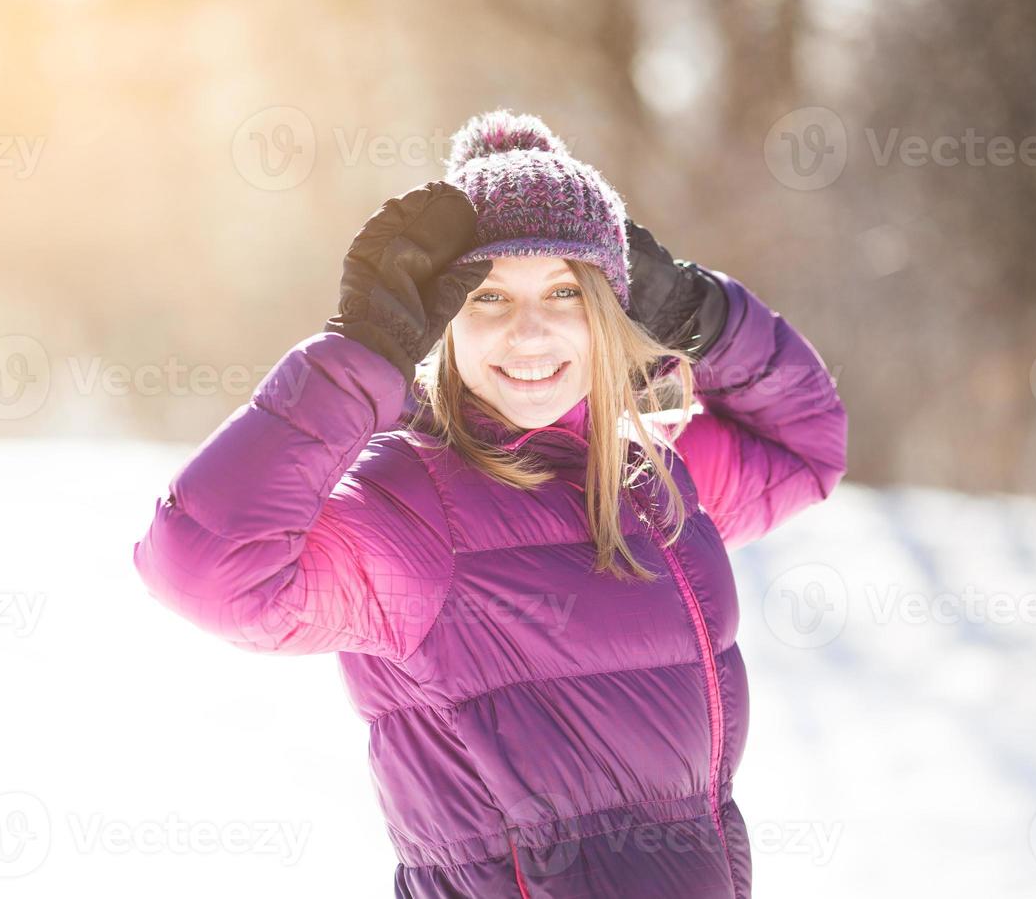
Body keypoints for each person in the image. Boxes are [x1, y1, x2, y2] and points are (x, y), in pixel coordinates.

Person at [133, 109, 847, 898]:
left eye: (565, 292)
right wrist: (359, 353)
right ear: (440, 325)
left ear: (613, 309)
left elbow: (806, 447)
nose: (531, 333)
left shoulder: (646, 474)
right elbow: (205, 570)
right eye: (489, 298)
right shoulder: (411, 505)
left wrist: (703, 314)